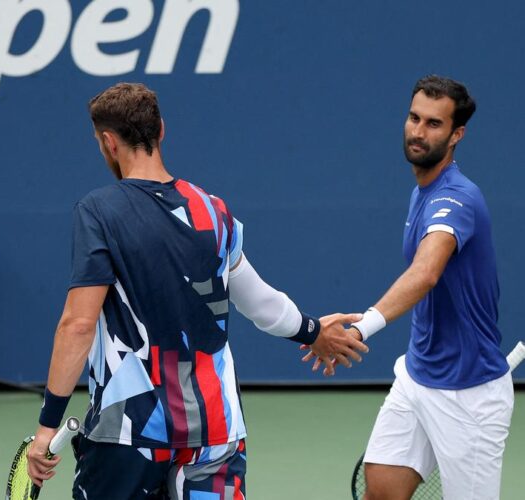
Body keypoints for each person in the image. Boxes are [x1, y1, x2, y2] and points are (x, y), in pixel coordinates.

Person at [26, 82, 367, 499]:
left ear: (109, 142)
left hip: (129, 434)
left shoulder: (98, 212)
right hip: (215, 432)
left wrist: (47, 426)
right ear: (161, 130)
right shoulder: (213, 210)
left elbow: (78, 325)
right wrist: (314, 332)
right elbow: (261, 303)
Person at [338, 76, 514, 499]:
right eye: (414, 118)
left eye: (434, 124)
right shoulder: (424, 190)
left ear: (457, 135)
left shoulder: (457, 198)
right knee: (381, 492)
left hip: (469, 397)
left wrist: (362, 327)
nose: (418, 131)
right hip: (418, 377)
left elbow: (426, 272)